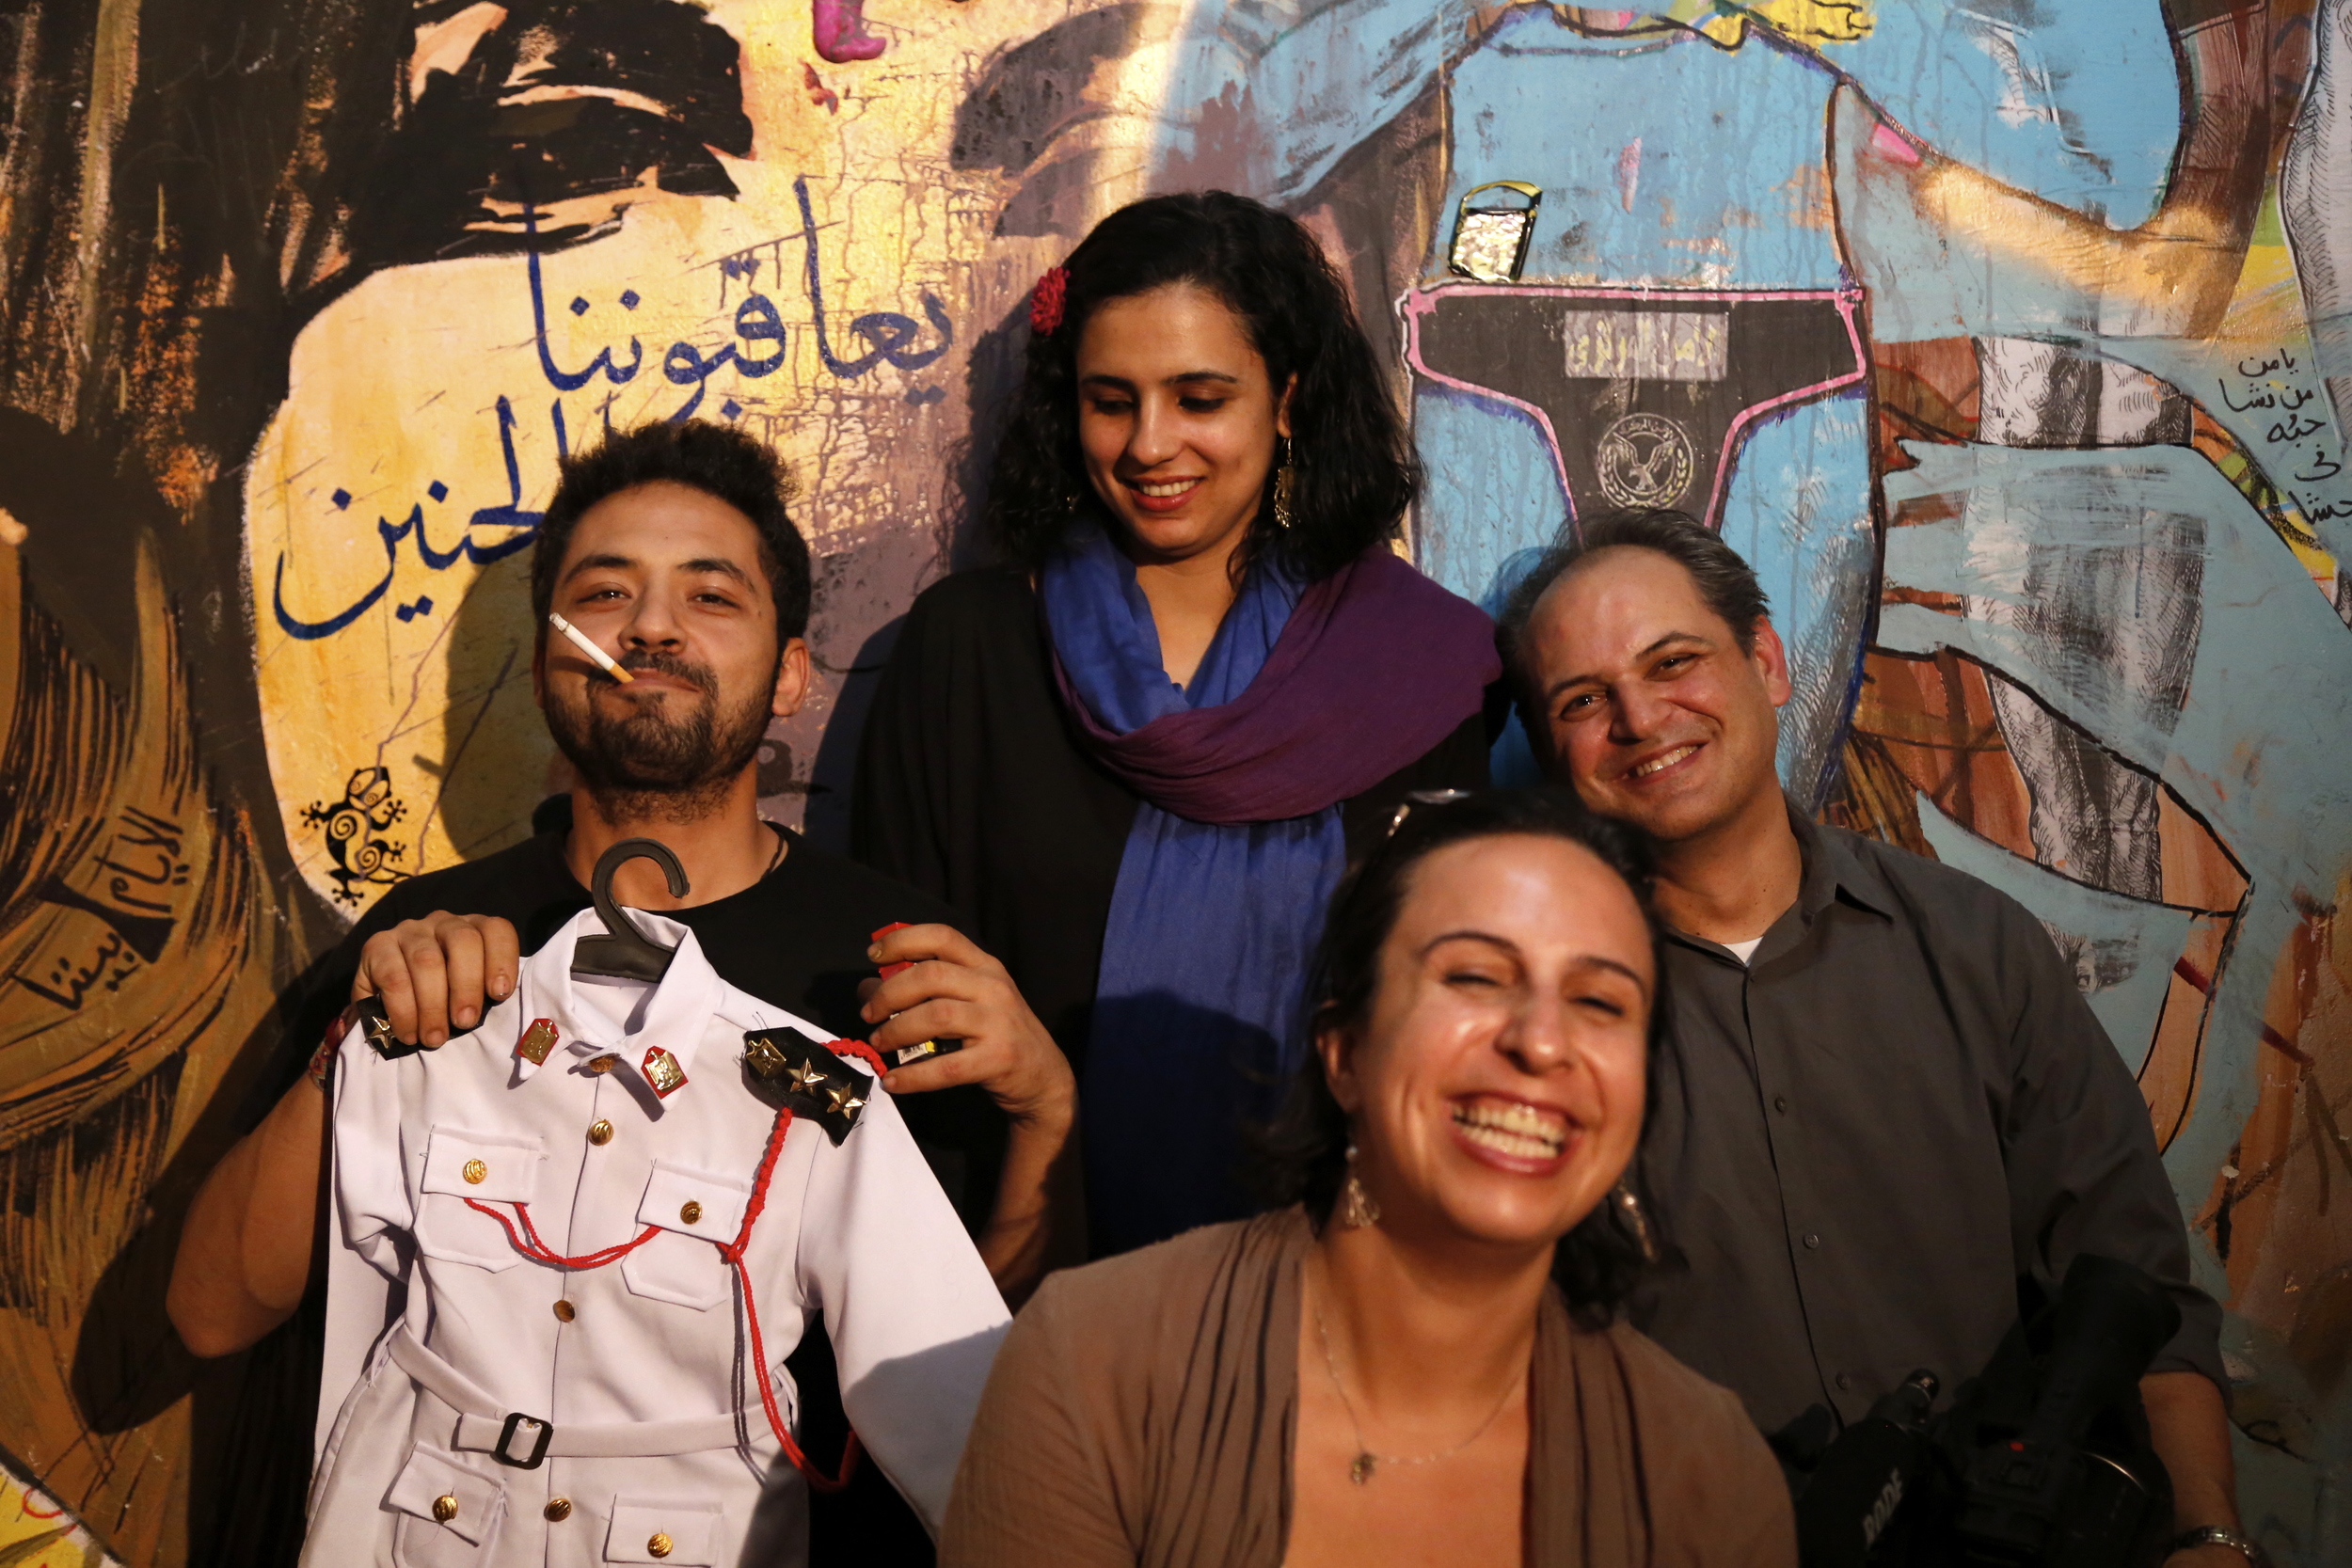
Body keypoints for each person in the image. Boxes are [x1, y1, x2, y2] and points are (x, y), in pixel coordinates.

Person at [167, 420, 1075, 1560]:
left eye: (710, 597)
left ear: (792, 670)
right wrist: (355, 1036)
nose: (650, 627)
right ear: (547, 655)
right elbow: (211, 1312)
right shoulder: (427, 938)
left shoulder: (893, 960)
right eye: (603, 595)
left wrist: (1044, 1110)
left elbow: (973, 1377)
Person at [1497, 509, 2252, 1567]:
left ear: (1764, 659)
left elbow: (2135, 1290)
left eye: (1675, 661)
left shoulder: (1976, 947)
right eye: (1583, 698)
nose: (1639, 716)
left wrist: (2206, 1535)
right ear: (1547, 746)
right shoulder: (1515, 1023)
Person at [852, 190, 1500, 1257]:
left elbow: (1445, 1017)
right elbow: (900, 1005)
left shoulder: (1417, 670)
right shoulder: (969, 650)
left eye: (1199, 396)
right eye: (1113, 400)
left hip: (1339, 1286)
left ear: (1286, 400)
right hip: (1012, 1271)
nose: (1151, 445)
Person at [940, 789, 1795, 1568]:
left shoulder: (1707, 1471)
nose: (1541, 1042)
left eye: (1601, 1002)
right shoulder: (1096, 1366)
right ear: (1344, 1051)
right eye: (1475, 976)